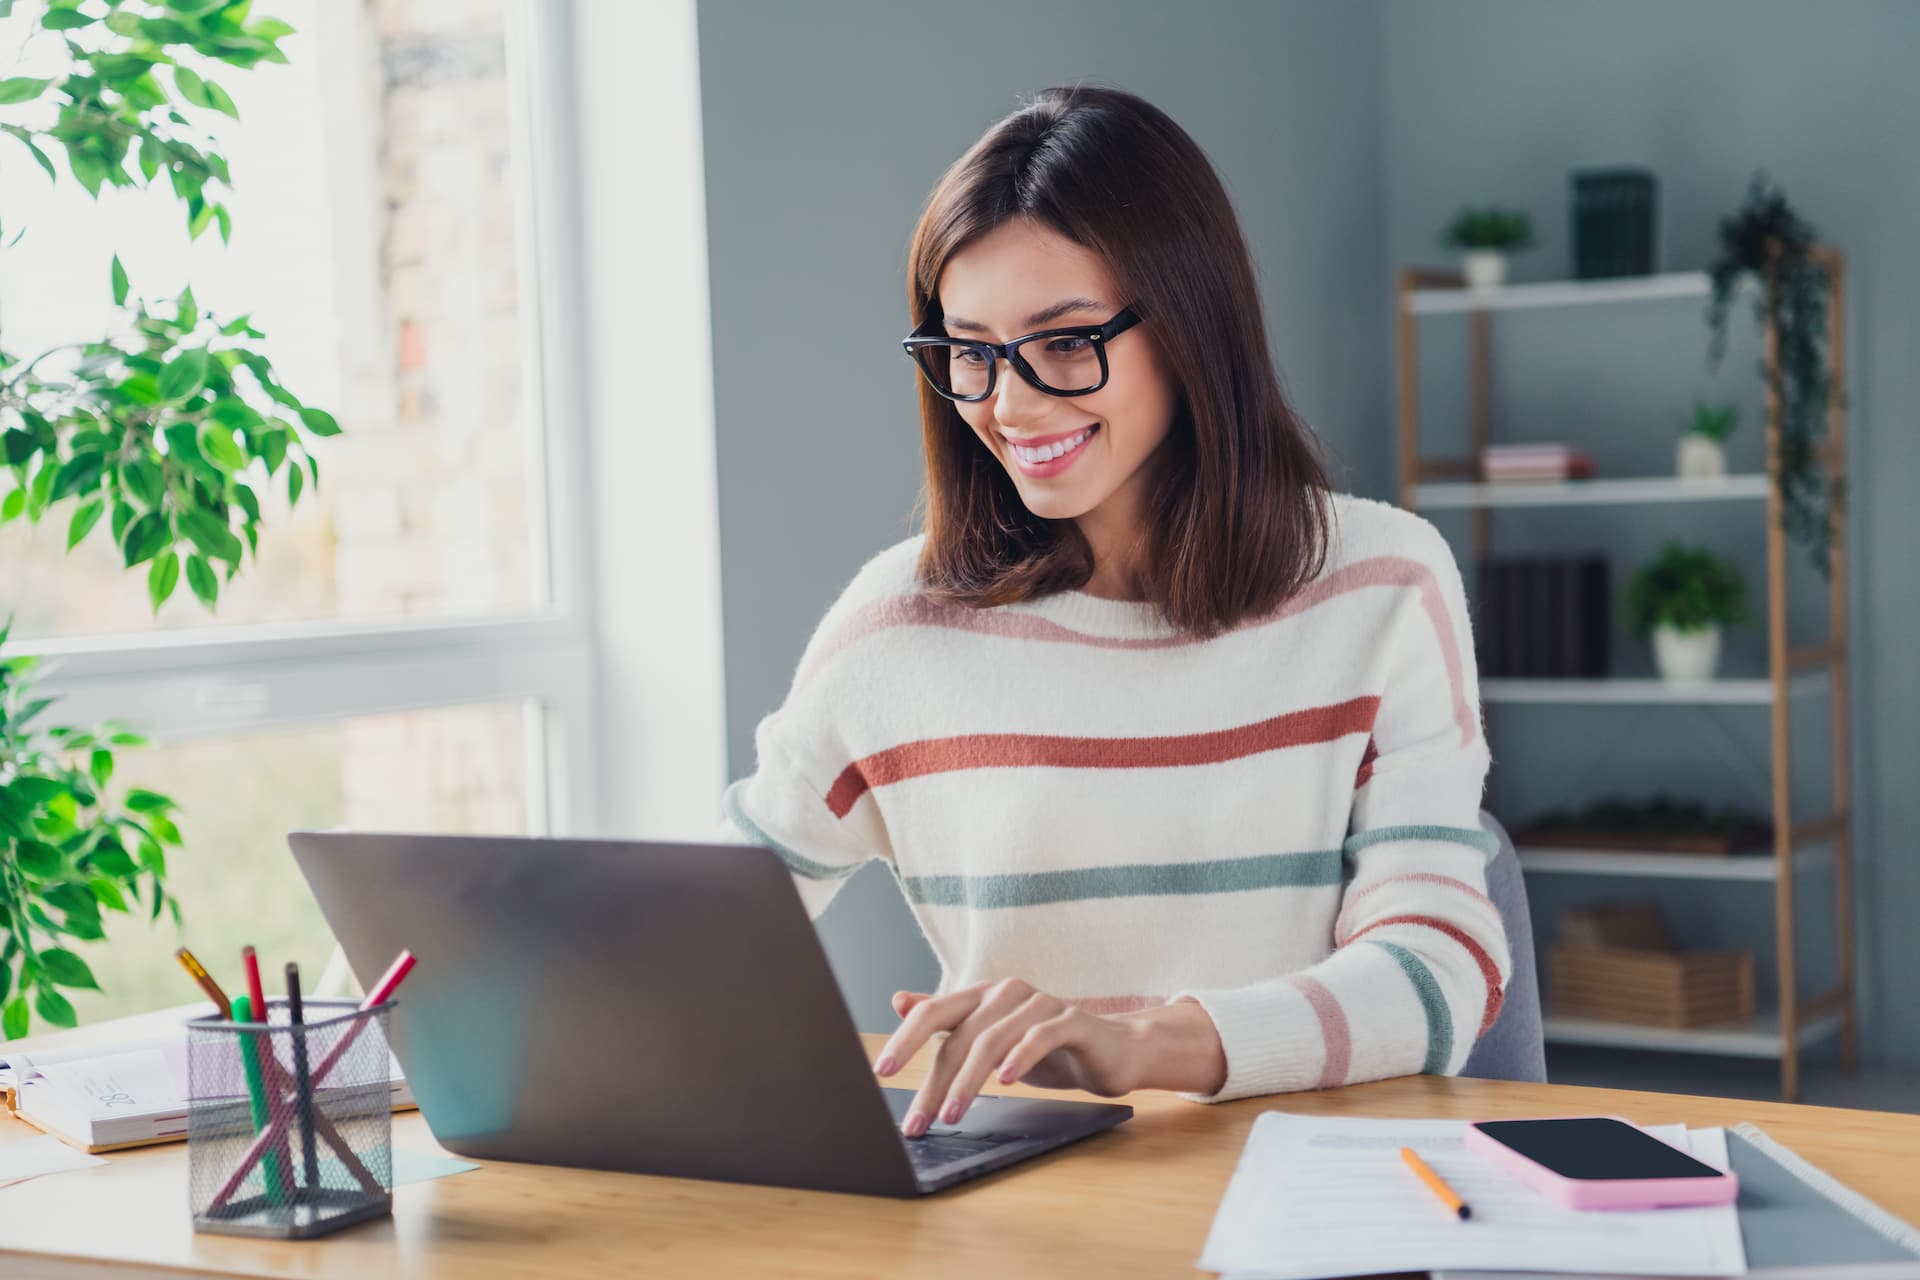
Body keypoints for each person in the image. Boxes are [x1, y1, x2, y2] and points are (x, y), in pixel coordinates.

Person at [720, 84, 1508, 1139]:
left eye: (1064, 341)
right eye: (970, 350)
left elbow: (1439, 964)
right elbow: (708, 929)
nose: (1008, 403)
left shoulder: (1380, 585)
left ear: (1189, 325)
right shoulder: (893, 628)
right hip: (1019, 1215)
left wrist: (1141, 1045)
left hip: (1313, 1189)